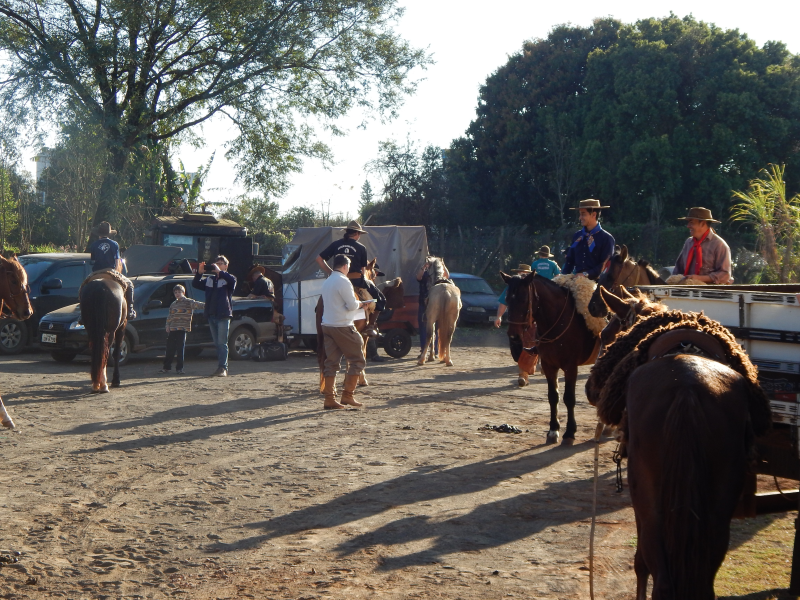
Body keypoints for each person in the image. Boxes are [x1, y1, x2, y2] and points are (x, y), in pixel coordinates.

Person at [320, 254, 373, 409]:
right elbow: (351, 305)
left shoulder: (328, 280)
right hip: (342, 325)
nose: (348, 269)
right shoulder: (344, 281)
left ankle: (329, 398)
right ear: (344, 266)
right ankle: (347, 395)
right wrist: (362, 304)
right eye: (348, 266)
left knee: (331, 362)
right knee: (358, 360)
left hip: (327, 325)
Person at [316, 220, 386, 337]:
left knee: (323, 300)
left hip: (336, 279)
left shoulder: (336, 244)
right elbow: (363, 270)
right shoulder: (361, 247)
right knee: (380, 299)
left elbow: (318, 259)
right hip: (356, 280)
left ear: (347, 232)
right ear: (357, 234)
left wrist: (331, 272)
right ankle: (370, 326)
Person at [192, 255, 236, 377]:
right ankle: (220, 367)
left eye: (221, 263)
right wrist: (199, 273)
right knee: (217, 343)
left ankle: (223, 368)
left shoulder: (229, 279)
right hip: (211, 314)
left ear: (226, 266)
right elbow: (196, 284)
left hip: (223, 315)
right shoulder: (210, 280)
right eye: (216, 263)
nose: (217, 265)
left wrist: (220, 272)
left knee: (222, 343)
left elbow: (233, 282)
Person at [671, 207, 732, 284]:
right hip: (686, 291)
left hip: (709, 293)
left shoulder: (719, 245)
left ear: (703, 223)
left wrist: (700, 279)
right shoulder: (689, 242)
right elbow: (678, 269)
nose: (688, 226)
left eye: (691, 222)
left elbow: (725, 274)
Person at [88, 221, 136, 319]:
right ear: (109, 234)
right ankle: (130, 310)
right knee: (130, 285)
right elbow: (117, 261)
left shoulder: (93, 245)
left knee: (83, 287)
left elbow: (92, 261)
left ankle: (81, 313)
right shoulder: (114, 244)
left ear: (99, 234)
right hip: (111, 271)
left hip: (96, 272)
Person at [562, 199, 615, 280]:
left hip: (597, 283)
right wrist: (562, 278)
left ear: (594, 214)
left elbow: (604, 265)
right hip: (577, 280)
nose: (580, 218)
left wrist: (586, 274)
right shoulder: (577, 236)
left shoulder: (607, 238)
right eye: (580, 214)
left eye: (583, 214)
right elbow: (570, 260)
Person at [159, 285, 205, 374]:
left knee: (180, 349)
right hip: (173, 328)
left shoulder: (188, 302)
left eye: (179, 292)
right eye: (175, 292)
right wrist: (167, 325)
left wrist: (209, 305)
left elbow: (198, 305)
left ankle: (179, 368)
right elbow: (170, 316)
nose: (177, 294)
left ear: (183, 293)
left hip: (182, 328)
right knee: (170, 349)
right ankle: (166, 367)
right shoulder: (173, 304)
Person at [416, 256, 450, 360]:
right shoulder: (425, 274)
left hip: (435, 303)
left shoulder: (439, 278)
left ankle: (434, 350)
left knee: (437, 328)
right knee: (424, 327)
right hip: (424, 302)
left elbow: (447, 276)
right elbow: (418, 277)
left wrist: (443, 265)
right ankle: (424, 350)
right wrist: (423, 267)